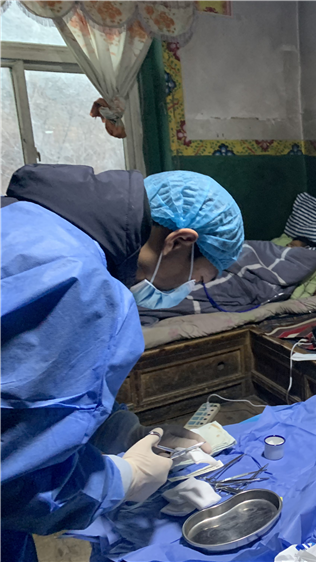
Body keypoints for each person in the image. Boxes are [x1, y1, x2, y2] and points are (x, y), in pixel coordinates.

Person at [1, 165, 244, 561]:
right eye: (197, 278)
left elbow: (25, 392)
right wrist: (124, 478)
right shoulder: (79, 284)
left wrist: (120, 430)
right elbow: (15, 482)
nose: (188, 290)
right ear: (180, 242)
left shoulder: (26, 219)